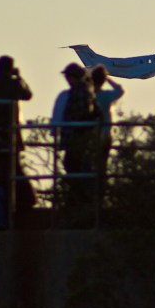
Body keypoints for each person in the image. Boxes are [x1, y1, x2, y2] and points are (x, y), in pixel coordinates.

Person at [0, 55, 34, 210]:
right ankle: (24, 200)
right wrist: (19, 77)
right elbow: (27, 95)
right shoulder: (14, 84)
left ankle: (7, 202)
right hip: (9, 132)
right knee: (13, 168)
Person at [59, 63, 100, 204]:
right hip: (78, 135)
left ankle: (80, 199)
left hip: (77, 136)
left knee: (74, 166)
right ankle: (80, 198)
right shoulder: (86, 90)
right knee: (76, 166)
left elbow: (79, 113)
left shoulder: (80, 91)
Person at [92, 65, 125, 183]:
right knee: (103, 164)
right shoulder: (106, 96)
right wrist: (108, 79)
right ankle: (101, 185)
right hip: (106, 134)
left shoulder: (90, 96)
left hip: (91, 135)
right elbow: (120, 90)